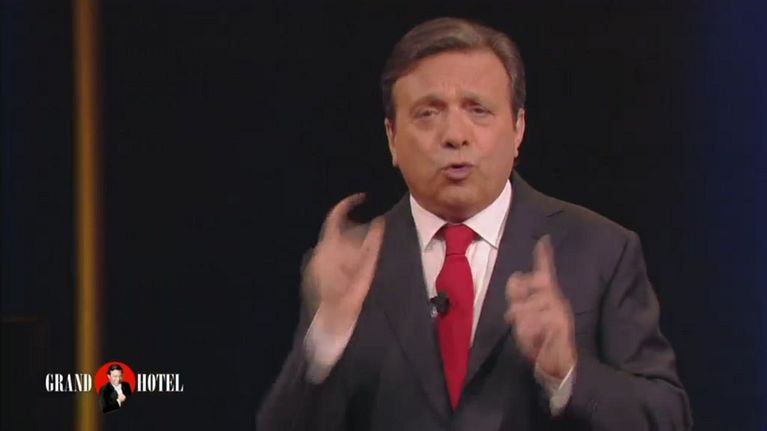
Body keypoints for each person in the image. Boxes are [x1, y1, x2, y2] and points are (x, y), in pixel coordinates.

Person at [257, 16, 691, 430]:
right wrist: (327, 338)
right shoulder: (350, 268)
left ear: (518, 129)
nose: (455, 135)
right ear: (392, 138)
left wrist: (568, 372)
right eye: (428, 113)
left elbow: (668, 418)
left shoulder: (601, 250)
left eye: (478, 110)